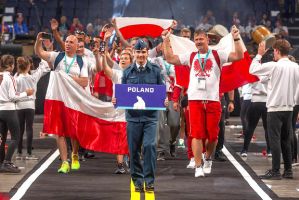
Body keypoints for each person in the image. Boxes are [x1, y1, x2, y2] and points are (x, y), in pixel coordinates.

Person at [162, 26, 243, 177]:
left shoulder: (218, 54)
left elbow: (238, 56)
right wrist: (165, 40)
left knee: (213, 136)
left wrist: (236, 38)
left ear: (207, 40)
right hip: (195, 100)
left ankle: (208, 158)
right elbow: (170, 58)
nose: (199, 42)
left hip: (213, 100)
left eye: (201, 39)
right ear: (194, 42)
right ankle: (198, 166)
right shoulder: (191, 56)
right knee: (196, 134)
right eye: (196, 39)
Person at [34, 33, 89, 173]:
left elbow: (85, 81)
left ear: (77, 46)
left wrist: (70, 78)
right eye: (66, 41)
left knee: (75, 132)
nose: (68, 44)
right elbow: (40, 53)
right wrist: (38, 42)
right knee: (59, 131)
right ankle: (64, 162)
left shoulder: (82, 61)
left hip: (74, 101)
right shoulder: (57, 56)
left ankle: (75, 154)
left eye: (71, 42)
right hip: (58, 99)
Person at [118, 39, 165, 192]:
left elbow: (161, 91)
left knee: (150, 146)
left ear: (147, 53)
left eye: (143, 52)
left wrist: (164, 98)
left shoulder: (156, 71)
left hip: (151, 118)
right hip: (132, 117)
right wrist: (116, 99)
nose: (141, 55)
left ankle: (149, 180)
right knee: (134, 150)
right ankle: (137, 180)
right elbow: (122, 95)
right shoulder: (126, 72)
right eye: (138, 52)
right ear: (134, 53)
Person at [250, 40, 299, 179]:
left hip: (275, 108)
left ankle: (276, 171)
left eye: (274, 51)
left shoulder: (273, 66)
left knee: (275, 140)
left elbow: (252, 69)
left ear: (277, 50)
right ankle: (288, 171)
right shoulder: (296, 66)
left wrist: (259, 55)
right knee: (285, 139)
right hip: (289, 108)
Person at [0, 55, 34, 173]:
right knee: (16, 137)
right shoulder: (10, 78)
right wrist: (26, 93)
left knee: (2, 138)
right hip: (9, 110)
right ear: (10, 66)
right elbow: (13, 96)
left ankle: (1, 163)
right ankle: (7, 162)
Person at [15, 56, 50, 160]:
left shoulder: (16, 78)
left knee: (20, 129)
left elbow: (14, 93)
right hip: (30, 105)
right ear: (29, 66)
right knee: (29, 128)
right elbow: (42, 69)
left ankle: (19, 151)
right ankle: (29, 153)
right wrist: (43, 56)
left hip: (19, 106)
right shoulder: (33, 77)